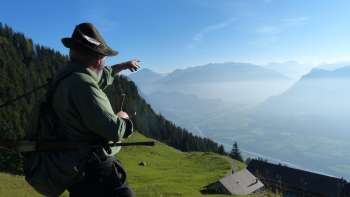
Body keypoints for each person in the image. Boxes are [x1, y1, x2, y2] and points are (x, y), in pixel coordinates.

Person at [28, 22, 140, 197]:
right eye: (104, 58)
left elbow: (100, 78)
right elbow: (113, 130)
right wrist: (123, 118)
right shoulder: (83, 85)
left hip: (78, 175)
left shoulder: (68, 78)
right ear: (98, 58)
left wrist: (123, 66)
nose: (105, 62)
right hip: (97, 173)